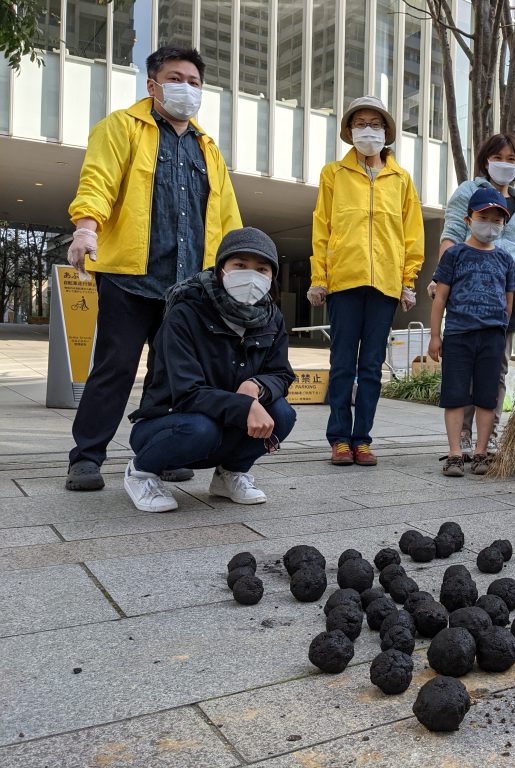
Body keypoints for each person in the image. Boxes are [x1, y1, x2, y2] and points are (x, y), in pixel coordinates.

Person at [64, 46, 242, 491]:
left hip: (188, 289)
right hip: (131, 276)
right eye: (176, 78)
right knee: (114, 366)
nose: (187, 88)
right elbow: (98, 181)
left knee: (173, 376)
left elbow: (227, 218)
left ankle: (160, 454)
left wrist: (234, 271)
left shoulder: (208, 149)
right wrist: (87, 228)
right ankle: (86, 456)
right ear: (153, 85)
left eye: (195, 82)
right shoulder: (121, 128)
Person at [124, 228, 296, 513]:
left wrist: (256, 387)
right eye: (240, 265)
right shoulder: (186, 312)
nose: (251, 275)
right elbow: (186, 392)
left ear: (271, 277)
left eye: (262, 269)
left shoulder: (271, 317)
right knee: (200, 429)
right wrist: (243, 406)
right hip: (171, 424)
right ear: (221, 269)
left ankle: (230, 474)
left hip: (224, 425)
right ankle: (141, 472)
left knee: (282, 413)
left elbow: (282, 373)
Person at [308, 95, 425, 468]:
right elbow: (322, 228)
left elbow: (412, 235)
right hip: (344, 281)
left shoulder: (401, 179)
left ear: (387, 132)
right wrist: (318, 278)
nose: (367, 130)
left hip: (385, 286)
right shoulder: (333, 174)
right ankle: (340, 439)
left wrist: (408, 281)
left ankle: (363, 440)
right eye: (360, 124)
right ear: (349, 131)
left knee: (372, 366)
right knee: (342, 363)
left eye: (375, 124)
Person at [430, 134, 515, 457]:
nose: (504, 164)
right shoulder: (469, 192)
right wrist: (440, 279)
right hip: (467, 291)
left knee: (497, 368)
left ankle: (486, 438)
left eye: (511, 159)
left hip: (505, 294)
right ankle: (461, 436)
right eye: (498, 157)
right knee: (462, 368)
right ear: (486, 160)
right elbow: (450, 234)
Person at [429, 188, 515, 477]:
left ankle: (481, 452)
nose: (489, 223)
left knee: (486, 397)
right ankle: (456, 453)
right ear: (469, 219)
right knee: (454, 395)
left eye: (497, 219)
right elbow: (440, 297)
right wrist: (435, 335)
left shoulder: (505, 259)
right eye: (483, 217)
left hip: (492, 337)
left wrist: (500, 328)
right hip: (458, 334)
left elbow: (509, 300)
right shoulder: (454, 254)